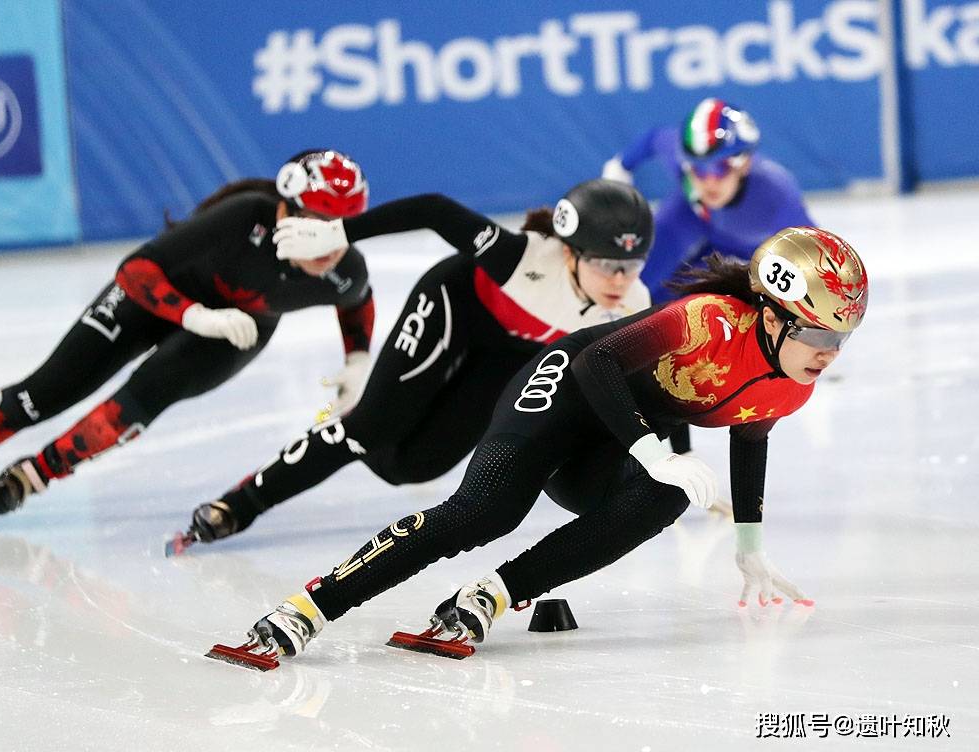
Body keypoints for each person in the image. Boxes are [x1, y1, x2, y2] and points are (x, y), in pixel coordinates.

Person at [207, 226, 868, 670]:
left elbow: (751, 442)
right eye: (820, 335)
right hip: (563, 391)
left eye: (842, 340)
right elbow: (598, 365)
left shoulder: (794, 386)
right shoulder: (704, 323)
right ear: (774, 314)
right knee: (486, 510)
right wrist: (650, 447)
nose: (828, 355)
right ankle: (309, 607)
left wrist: (749, 548)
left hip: (612, 443)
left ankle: (488, 597)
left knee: (663, 500)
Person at [0, 150, 377, 531]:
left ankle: (37, 474)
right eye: (320, 222)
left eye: (343, 227)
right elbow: (138, 269)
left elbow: (358, 301)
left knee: (142, 399)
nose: (331, 242)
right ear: (286, 209)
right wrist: (193, 314)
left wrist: (357, 360)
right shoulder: (244, 219)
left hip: (237, 329)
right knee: (47, 391)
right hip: (159, 296)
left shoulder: (344, 269)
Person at [171, 180, 655, 554]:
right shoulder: (522, 259)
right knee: (371, 426)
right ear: (569, 253)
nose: (618, 280)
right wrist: (338, 231)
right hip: (456, 303)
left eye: (631, 265)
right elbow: (433, 210)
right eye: (604, 263)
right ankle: (240, 504)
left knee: (411, 467)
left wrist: (667, 461)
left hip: (512, 351)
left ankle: (360, 427)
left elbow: (649, 385)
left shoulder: (633, 302)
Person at [603, 98, 815, 456]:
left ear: (744, 163)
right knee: (639, 286)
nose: (707, 181)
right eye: (697, 171)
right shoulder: (686, 168)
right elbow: (655, 139)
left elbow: (814, 261)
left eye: (719, 170)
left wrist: (812, 338)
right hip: (689, 218)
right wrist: (620, 168)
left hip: (751, 250)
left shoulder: (776, 196)